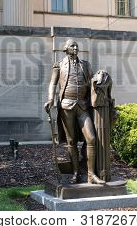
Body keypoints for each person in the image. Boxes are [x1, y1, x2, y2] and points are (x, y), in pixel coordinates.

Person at [44, 39, 105, 184]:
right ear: (66, 49)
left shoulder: (85, 64)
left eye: (77, 46)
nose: (76, 48)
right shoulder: (59, 65)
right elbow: (52, 83)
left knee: (91, 138)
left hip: (82, 106)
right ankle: (76, 172)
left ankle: (91, 175)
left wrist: (100, 77)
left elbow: (92, 81)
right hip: (66, 106)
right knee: (71, 141)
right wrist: (51, 99)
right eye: (72, 46)